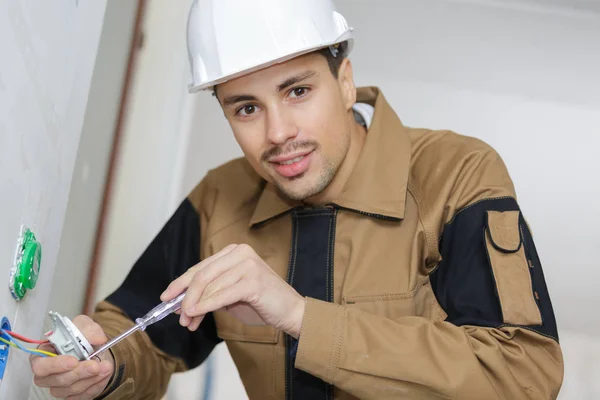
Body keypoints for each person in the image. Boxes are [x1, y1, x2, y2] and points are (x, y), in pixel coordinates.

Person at [30, 0, 564, 399]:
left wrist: (299, 316)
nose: (278, 133)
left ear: (346, 81)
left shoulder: (454, 174)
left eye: (297, 91)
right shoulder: (220, 197)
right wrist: (102, 368)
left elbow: (521, 374)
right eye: (246, 109)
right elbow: (140, 334)